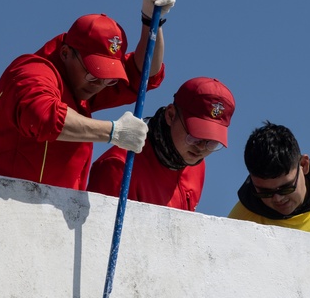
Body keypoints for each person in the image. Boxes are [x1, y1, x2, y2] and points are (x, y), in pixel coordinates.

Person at [0, 0, 176, 190]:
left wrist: (152, 20)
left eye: (109, 79)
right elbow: (43, 117)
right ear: (66, 53)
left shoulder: (85, 84)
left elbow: (144, 75)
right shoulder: (31, 72)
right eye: (94, 73)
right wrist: (114, 132)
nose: (99, 84)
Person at [87, 77, 235, 211]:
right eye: (195, 136)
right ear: (170, 115)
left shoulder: (196, 163)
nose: (202, 147)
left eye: (212, 142)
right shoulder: (119, 167)